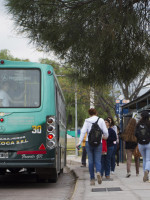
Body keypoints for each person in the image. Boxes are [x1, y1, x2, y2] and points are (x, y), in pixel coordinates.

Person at [76, 108, 108, 186]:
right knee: (98, 160)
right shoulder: (101, 120)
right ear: (96, 112)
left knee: (90, 161)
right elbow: (106, 132)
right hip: (98, 143)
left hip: (88, 142)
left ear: (89, 113)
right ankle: (98, 172)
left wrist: (79, 142)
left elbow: (83, 131)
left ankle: (92, 179)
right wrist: (105, 137)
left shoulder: (87, 120)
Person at [135, 111, 150, 182]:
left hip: (140, 144)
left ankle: (145, 174)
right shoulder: (149, 124)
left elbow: (135, 134)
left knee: (144, 159)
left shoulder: (138, 124)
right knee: (148, 160)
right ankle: (147, 170)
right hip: (149, 143)